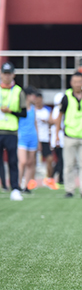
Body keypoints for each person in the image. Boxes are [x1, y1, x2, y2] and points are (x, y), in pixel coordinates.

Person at [53, 72, 82, 198]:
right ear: (71, 83)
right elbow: (60, 116)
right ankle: (70, 189)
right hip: (70, 134)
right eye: (75, 82)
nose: (77, 84)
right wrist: (57, 134)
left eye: (80, 81)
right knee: (69, 165)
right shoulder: (66, 97)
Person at [0, 62, 27, 201]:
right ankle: (3, 185)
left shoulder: (18, 91)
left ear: (13, 74)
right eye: (4, 73)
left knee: (12, 161)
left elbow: (24, 113)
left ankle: (15, 188)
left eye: (9, 73)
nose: (6, 76)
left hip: (11, 131)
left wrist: (10, 111)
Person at [30, 89, 56, 189]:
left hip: (44, 138)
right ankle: (32, 180)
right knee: (32, 161)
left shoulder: (46, 110)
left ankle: (48, 179)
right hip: (34, 138)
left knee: (49, 159)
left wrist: (46, 121)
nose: (38, 101)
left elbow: (52, 121)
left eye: (40, 99)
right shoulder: (32, 110)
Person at [17, 87, 39, 192]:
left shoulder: (34, 108)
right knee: (23, 161)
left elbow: (35, 123)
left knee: (30, 162)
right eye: (32, 95)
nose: (34, 97)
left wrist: (38, 139)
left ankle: (26, 186)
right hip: (22, 137)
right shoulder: (20, 108)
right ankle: (18, 184)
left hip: (32, 137)